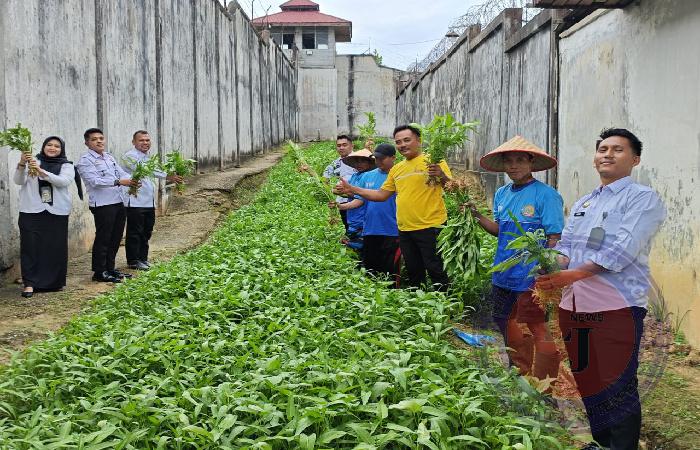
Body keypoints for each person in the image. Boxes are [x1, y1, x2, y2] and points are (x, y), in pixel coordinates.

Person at [536, 128, 666, 450]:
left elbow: (622, 250)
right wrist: (546, 262)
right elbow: (565, 246)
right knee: (589, 380)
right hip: (574, 307)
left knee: (617, 385)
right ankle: (601, 442)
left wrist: (572, 275)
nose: (607, 154)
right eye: (603, 149)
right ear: (595, 159)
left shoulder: (642, 198)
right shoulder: (584, 202)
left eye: (617, 149)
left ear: (635, 159)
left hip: (616, 308)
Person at [470, 136, 564, 381]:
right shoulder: (501, 194)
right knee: (503, 320)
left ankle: (546, 385)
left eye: (520, 160)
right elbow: (500, 231)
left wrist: (547, 271)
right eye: (508, 161)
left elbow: (555, 237)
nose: (513, 166)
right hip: (503, 272)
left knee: (537, 326)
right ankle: (519, 372)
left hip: (531, 275)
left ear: (531, 163)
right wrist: (476, 215)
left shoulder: (546, 195)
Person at [340, 125, 451, 291]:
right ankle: (418, 303)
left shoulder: (434, 162)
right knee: (414, 270)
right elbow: (381, 195)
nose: (402, 145)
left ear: (418, 140)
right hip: (405, 228)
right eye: (398, 142)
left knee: (435, 267)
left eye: (407, 140)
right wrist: (353, 189)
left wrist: (441, 175)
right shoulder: (397, 169)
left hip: (431, 225)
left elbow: (450, 188)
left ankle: (446, 306)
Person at [13, 136, 83, 297]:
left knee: (55, 247)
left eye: (57, 146)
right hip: (31, 210)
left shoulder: (66, 165)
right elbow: (18, 181)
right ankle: (29, 284)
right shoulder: (33, 161)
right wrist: (23, 163)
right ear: (43, 147)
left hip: (56, 211)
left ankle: (54, 283)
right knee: (30, 247)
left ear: (62, 149)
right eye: (49, 145)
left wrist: (40, 172)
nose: (52, 148)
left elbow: (63, 181)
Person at [76, 128, 138, 283]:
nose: (99, 141)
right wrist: (118, 182)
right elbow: (94, 181)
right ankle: (99, 271)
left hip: (118, 201)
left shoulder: (109, 158)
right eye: (94, 139)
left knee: (116, 237)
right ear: (87, 143)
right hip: (103, 204)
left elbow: (121, 173)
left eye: (101, 138)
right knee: (104, 238)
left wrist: (134, 179)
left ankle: (110, 268)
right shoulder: (85, 160)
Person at [122, 130, 182, 270]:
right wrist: (167, 176)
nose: (145, 143)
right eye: (141, 140)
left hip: (149, 201)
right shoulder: (129, 156)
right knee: (135, 232)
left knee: (146, 231)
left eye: (147, 140)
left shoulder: (147, 157)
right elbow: (146, 170)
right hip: (135, 201)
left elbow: (151, 169)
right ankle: (133, 260)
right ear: (134, 142)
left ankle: (143, 258)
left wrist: (170, 174)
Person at [359, 143, 400, 284]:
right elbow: (359, 201)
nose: (378, 161)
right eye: (376, 158)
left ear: (393, 158)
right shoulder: (367, 176)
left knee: (390, 270)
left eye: (382, 158)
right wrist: (341, 205)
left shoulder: (400, 176)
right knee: (370, 268)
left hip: (392, 229)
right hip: (370, 229)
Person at [330, 148, 375, 251]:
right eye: (356, 161)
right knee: (353, 249)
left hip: (363, 220)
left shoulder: (369, 177)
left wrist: (340, 206)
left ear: (369, 163)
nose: (359, 164)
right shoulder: (355, 176)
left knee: (361, 249)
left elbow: (360, 200)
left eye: (362, 161)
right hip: (353, 219)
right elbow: (346, 191)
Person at [323, 135, 357, 231]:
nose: (341, 147)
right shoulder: (335, 163)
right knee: (348, 227)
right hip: (342, 201)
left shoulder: (359, 160)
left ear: (352, 146)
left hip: (359, 199)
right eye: (338, 145)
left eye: (344, 145)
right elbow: (324, 180)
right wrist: (331, 190)